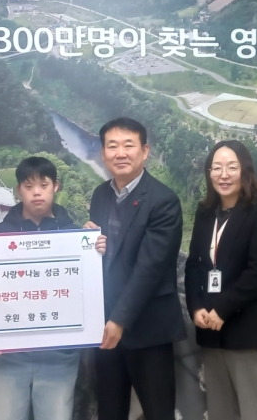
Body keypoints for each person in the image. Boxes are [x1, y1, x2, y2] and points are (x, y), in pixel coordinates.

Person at [0, 156, 106, 420]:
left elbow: (86, 290)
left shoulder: (76, 236)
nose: (37, 193)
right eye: (29, 186)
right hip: (7, 357)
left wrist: (95, 250)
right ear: (19, 190)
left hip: (59, 357)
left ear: (56, 186)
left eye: (44, 185)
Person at [85, 117, 186, 420]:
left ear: (145, 151)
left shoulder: (163, 201)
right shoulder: (100, 195)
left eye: (128, 145)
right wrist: (88, 243)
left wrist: (119, 320)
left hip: (147, 328)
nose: (120, 153)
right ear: (103, 153)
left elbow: (150, 268)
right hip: (105, 327)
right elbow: (106, 256)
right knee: (110, 409)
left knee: (158, 412)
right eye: (112, 146)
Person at [184, 140, 257, 420]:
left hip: (247, 332)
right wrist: (196, 307)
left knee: (253, 413)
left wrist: (222, 310)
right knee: (220, 412)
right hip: (211, 333)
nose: (223, 175)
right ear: (209, 173)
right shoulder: (205, 213)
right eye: (216, 168)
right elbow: (194, 264)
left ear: (245, 170)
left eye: (231, 167)